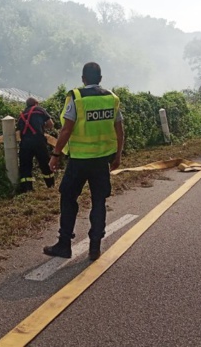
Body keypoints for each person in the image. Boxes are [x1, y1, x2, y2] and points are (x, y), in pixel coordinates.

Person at [45, 62, 125, 261]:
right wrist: (118, 155)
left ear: (83, 78)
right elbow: (119, 129)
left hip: (79, 161)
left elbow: (66, 129)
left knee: (68, 197)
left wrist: (56, 155)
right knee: (99, 201)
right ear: (100, 78)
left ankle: (64, 245)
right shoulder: (111, 98)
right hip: (101, 161)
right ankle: (95, 247)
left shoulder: (77, 98)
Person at [16, 97, 55, 192]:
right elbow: (51, 124)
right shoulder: (39, 110)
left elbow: (19, 130)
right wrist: (42, 127)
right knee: (45, 163)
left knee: (25, 165)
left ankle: (27, 188)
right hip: (38, 141)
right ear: (36, 103)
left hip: (25, 143)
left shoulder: (21, 115)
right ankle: (50, 185)